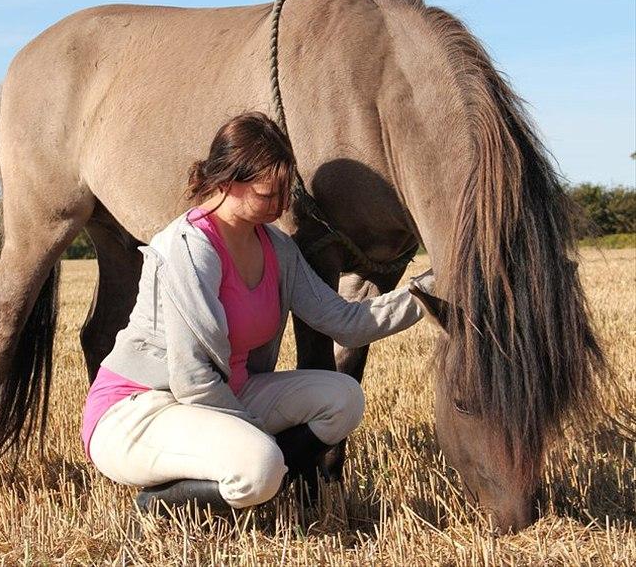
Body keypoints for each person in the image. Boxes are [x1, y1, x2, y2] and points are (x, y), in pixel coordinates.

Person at [81, 111, 435, 515]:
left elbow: (346, 323)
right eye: (270, 195)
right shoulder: (187, 247)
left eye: (286, 193)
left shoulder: (278, 249)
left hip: (228, 395)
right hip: (141, 408)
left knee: (344, 399)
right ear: (228, 182)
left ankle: (246, 475)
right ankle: (161, 504)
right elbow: (193, 378)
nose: (282, 206)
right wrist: (255, 434)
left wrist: (434, 285)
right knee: (260, 466)